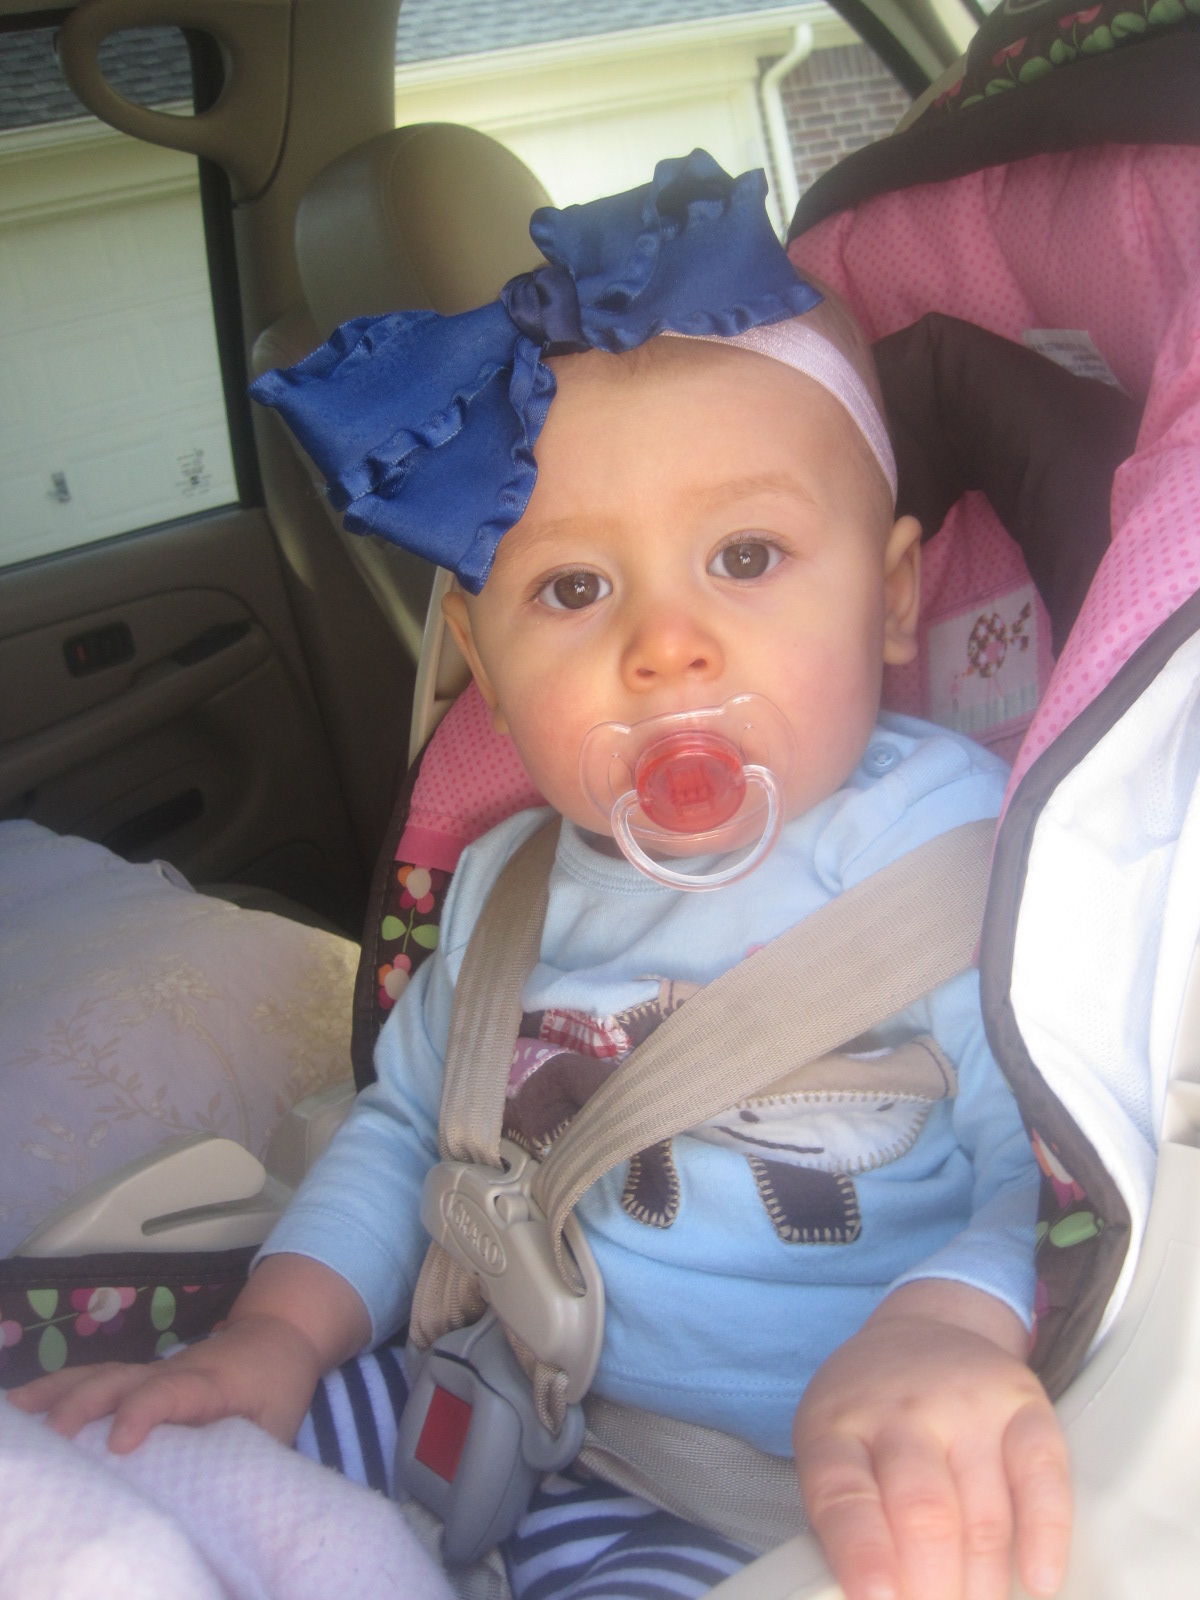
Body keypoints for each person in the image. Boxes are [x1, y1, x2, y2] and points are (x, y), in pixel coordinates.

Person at [11, 152, 1071, 1600]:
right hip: (490, 1395)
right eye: (574, 590)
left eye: (746, 555)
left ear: (890, 599)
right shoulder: (508, 884)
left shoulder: (960, 850)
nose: (665, 647)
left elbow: (1048, 1165)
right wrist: (271, 1340)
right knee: (140, 1473)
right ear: (487, 671)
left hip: (775, 1493)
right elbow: (406, 1138)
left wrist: (948, 1330)